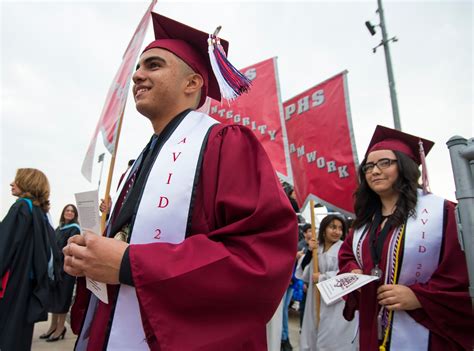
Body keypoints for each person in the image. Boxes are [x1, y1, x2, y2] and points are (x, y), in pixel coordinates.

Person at [64, 12, 297, 350]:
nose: (137, 76)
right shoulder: (137, 164)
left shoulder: (226, 144)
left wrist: (131, 264)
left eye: (154, 65)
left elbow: (258, 255)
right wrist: (92, 257)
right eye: (138, 68)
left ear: (192, 83)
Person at [338, 125, 473, 350]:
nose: (375, 171)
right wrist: (353, 272)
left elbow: (462, 271)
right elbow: (347, 255)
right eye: (369, 166)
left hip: (425, 329)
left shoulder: (443, 213)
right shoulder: (364, 222)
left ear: (404, 166)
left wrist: (420, 297)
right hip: (373, 326)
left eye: (385, 163)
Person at [0, 168, 56, 350]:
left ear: (27, 182)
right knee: (19, 335)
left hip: (14, 281)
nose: (11, 183)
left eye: (16, 180)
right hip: (30, 284)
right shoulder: (41, 213)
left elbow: (5, 246)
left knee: (7, 332)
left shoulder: (21, 207)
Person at [296, 214, 357, 351]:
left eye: (340, 228)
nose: (337, 231)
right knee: (311, 335)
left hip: (335, 304)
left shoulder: (345, 250)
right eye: (332, 227)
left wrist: (323, 277)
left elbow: (348, 275)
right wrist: (311, 252)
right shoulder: (317, 249)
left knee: (330, 339)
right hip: (314, 299)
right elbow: (305, 273)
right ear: (324, 229)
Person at [40, 204, 81, 342]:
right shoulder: (59, 228)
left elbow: (70, 249)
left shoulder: (75, 229)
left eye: (72, 211)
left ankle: (60, 328)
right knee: (55, 298)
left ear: (75, 215)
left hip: (66, 269)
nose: (69, 213)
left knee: (62, 298)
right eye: (67, 210)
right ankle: (53, 326)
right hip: (56, 269)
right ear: (63, 213)